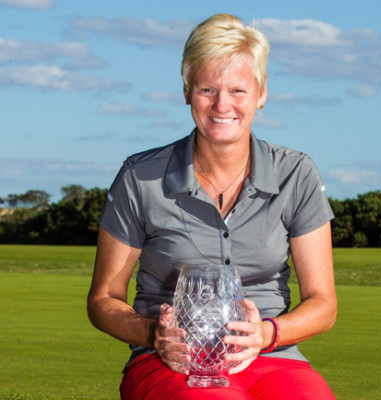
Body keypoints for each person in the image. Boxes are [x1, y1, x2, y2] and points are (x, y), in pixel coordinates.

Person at [87, 13, 337, 400]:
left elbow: (324, 304)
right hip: (170, 360)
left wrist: (267, 334)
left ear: (261, 93)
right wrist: (154, 334)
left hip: (274, 358)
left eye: (238, 90)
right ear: (187, 90)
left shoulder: (296, 173)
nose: (222, 105)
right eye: (207, 89)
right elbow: (103, 300)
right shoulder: (141, 176)